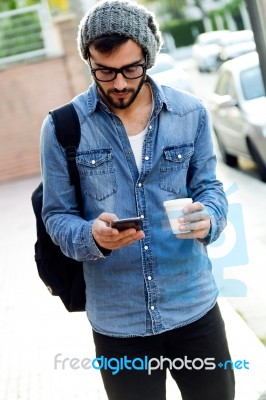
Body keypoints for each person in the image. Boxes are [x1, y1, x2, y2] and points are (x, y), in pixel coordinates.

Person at [41, 1, 235, 399]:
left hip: (194, 307)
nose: (118, 84)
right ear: (88, 60)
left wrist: (210, 217)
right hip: (118, 323)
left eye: (131, 69)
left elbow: (210, 187)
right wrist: (92, 236)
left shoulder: (191, 112)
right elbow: (57, 215)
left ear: (148, 57)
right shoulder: (61, 127)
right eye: (104, 70)